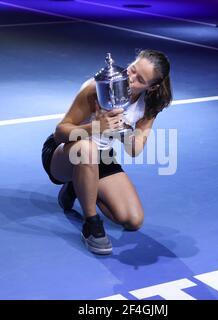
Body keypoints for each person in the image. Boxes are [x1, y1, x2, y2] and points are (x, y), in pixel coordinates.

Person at [41, 49, 172, 255]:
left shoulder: (149, 106)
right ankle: (91, 224)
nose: (131, 79)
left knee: (133, 220)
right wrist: (95, 128)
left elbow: (135, 150)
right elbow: (60, 133)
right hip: (65, 153)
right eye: (132, 70)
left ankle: (78, 186)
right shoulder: (96, 88)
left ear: (152, 87)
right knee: (87, 148)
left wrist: (123, 129)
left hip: (101, 155)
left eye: (140, 79)